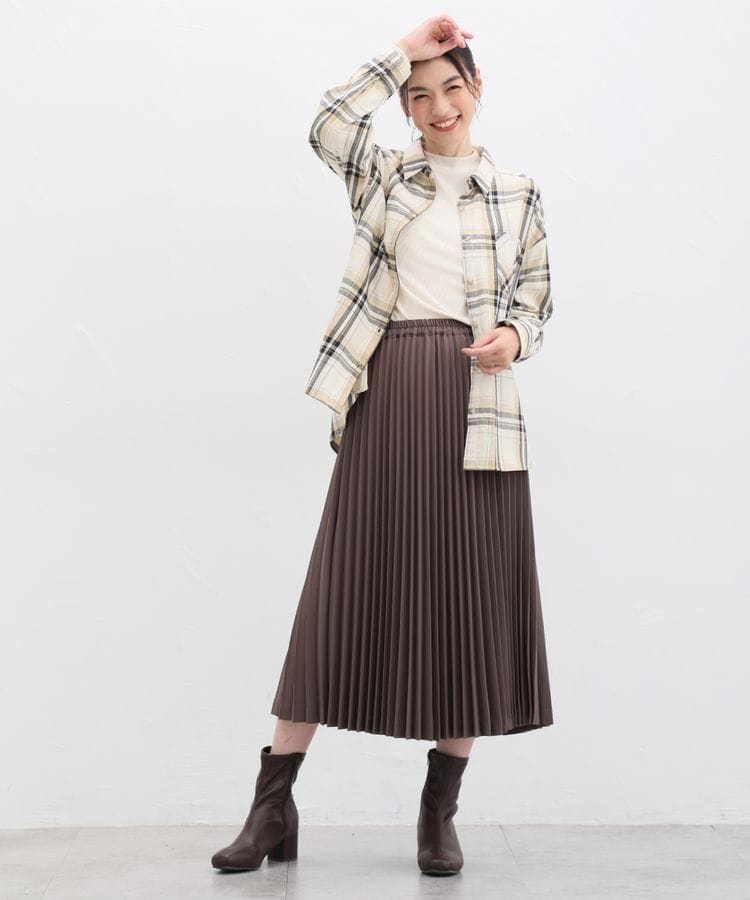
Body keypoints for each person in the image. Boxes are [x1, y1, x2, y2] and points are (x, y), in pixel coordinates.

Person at [212, 13, 554, 878]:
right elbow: (329, 121)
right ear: (405, 105)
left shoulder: (517, 191)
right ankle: (272, 804)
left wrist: (513, 337)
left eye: (452, 87)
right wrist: (402, 50)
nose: (440, 106)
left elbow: (537, 299)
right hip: (390, 390)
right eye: (421, 94)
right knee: (341, 591)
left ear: (478, 89)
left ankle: (438, 814)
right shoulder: (384, 175)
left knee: (469, 600)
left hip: (478, 406)